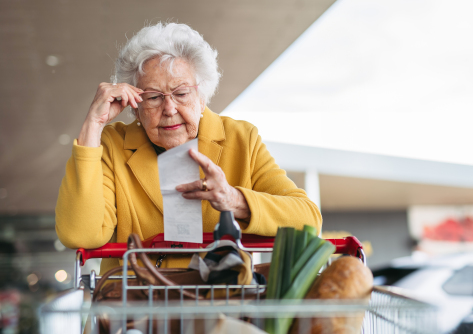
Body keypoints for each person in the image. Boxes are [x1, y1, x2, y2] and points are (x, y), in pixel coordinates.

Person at [55, 22, 322, 274]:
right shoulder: (112, 144)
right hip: (137, 312)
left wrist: (234, 200)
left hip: (219, 309)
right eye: (153, 97)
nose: (169, 109)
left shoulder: (241, 139)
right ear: (134, 106)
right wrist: (93, 124)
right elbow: (80, 234)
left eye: (181, 94)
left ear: (202, 96)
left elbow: (308, 219)